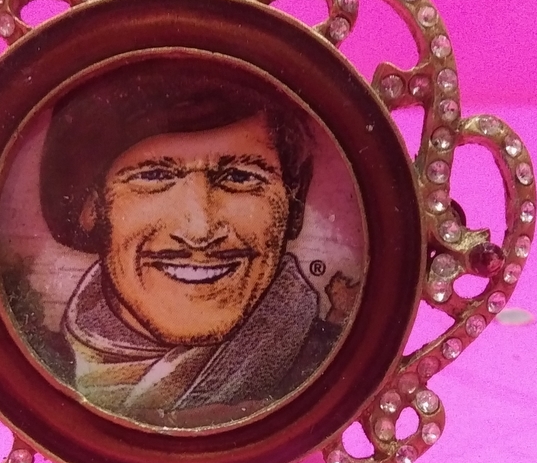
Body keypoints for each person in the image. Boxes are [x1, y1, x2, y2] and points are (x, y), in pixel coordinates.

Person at [38, 56, 342, 426]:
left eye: (240, 177)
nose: (200, 230)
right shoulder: (41, 365)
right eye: (153, 176)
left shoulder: (334, 369)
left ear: (294, 204)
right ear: (91, 207)